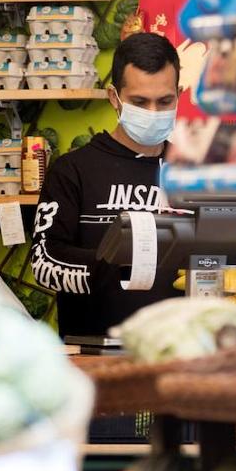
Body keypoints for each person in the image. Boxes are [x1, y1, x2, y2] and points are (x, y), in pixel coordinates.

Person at [32, 33, 182, 337]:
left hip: (177, 353)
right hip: (95, 356)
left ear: (178, 95)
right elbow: (43, 261)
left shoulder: (192, 173)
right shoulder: (72, 171)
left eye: (164, 101)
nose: (153, 112)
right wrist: (122, 261)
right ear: (115, 98)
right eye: (140, 102)